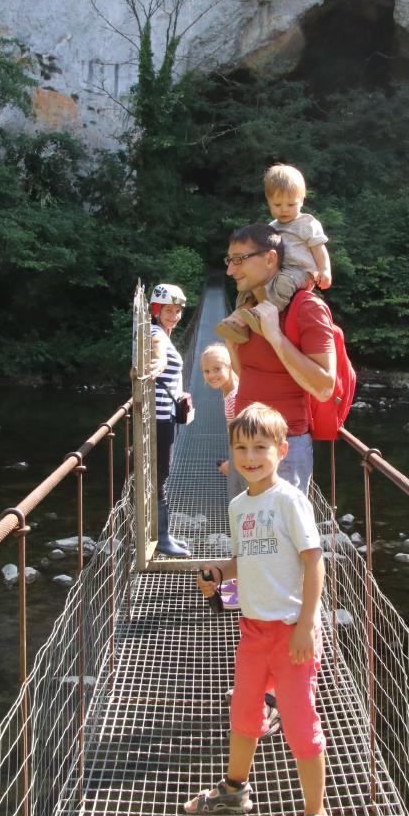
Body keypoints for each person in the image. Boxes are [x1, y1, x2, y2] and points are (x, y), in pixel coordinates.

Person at [183, 403, 332, 816]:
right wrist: (217, 571)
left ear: (282, 451)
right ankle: (234, 790)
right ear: (231, 452)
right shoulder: (238, 505)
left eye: (260, 447)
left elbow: (314, 562)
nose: (250, 456)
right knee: (244, 713)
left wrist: (307, 624)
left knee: (301, 727)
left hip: (291, 634)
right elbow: (245, 560)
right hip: (252, 630)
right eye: (241, 448)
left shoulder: (290, 500)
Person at [224, 223, 336, 497]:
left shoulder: (308, 308)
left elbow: (325, 387)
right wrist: (231, 343)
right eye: (229, 261)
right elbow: (245, 374)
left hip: (283, 448)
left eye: (239, 260)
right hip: (242, 443)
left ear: (270, 258)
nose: (230, 270)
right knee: (244, 535)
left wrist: (275, 337)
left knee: (283, 538)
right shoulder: (246, 308)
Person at [216, 163, 331, 344]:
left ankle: (265, 313)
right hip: (279, 270)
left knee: (283, 282)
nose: (284, 209)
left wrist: (324, 270)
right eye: (277, 204)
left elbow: (319, 248)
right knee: (251, 285)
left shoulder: (307, 223)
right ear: (268, 202)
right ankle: (239, 319)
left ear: (302, 200)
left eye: (291, 204)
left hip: (300, 272)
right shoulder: (272, 227)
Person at [148, 281, 192, 558]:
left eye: (177, 311)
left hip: (165, 417)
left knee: (158, 476)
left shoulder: (161, 332)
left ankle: (162, 534)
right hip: (160, 420)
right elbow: (158, 357)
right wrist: (156, 364)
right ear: (155, 310)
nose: (174, 316)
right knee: (160, 477)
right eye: (168, 310)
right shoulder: (155, 335)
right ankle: (161, 538)